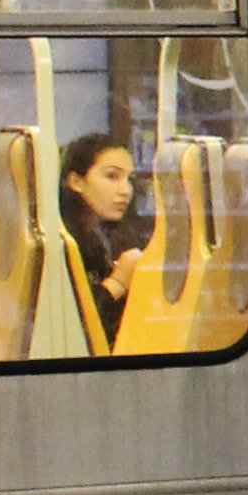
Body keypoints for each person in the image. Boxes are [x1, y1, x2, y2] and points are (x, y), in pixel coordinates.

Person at [58, 131, 148, 344]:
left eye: (130, 180)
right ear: (76, 181)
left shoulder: (121, 235)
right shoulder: (64, 242)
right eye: (112, 176)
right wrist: (117, 284)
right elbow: (70, 329)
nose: (126, 190)